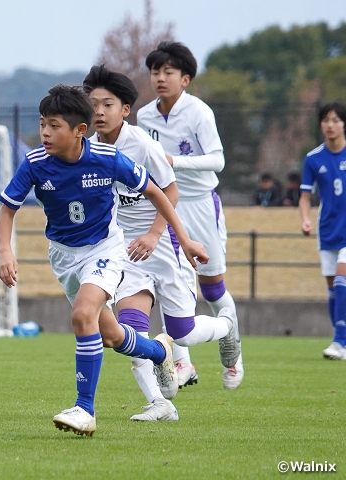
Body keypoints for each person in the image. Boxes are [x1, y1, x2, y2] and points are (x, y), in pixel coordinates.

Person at [0, 84, 209, 436]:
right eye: (42, 124)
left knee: (83, 315)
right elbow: (7, 211)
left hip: (105, 250)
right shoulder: (35, 163)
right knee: (110, 335)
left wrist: (183, 240)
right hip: (63, 256)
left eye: (54, 126)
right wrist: (6, 251)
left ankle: (84, 408)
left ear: (80, 131)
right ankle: (159, 352)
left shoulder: (108, 159)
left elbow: (158, 192)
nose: (45, 133)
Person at [83, 65, 240, 421]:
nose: (99, 112)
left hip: (164, 244)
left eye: (108, 104)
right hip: (125, 252)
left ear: (125, 110)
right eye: (93, 105)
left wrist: (158, 235)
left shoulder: (142, 145)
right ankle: (160, 404)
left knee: (182, 332)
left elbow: (170, 190)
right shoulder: (88, 150)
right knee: (131, 332)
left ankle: (227, 326)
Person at [137, 42, 244, 390]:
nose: (160, 78)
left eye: (168, 72)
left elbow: (218, 160)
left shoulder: (199, 112)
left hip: (199, 202)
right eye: (155, 72)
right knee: (173, 287)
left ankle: (233, 347)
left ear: (185, 79)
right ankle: (183, 364)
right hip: (166, 205)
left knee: (212, 288)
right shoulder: (144, 116)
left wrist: (174, 162)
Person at [300, 101, 346, 360]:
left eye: (336, 120)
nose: (331, 125)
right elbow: (305, 196)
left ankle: (340, 342)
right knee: (333, 288)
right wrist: (305, 219)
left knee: (342, 281)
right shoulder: (313, 158)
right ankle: (340, 338)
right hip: (328, 229)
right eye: (326, 120)